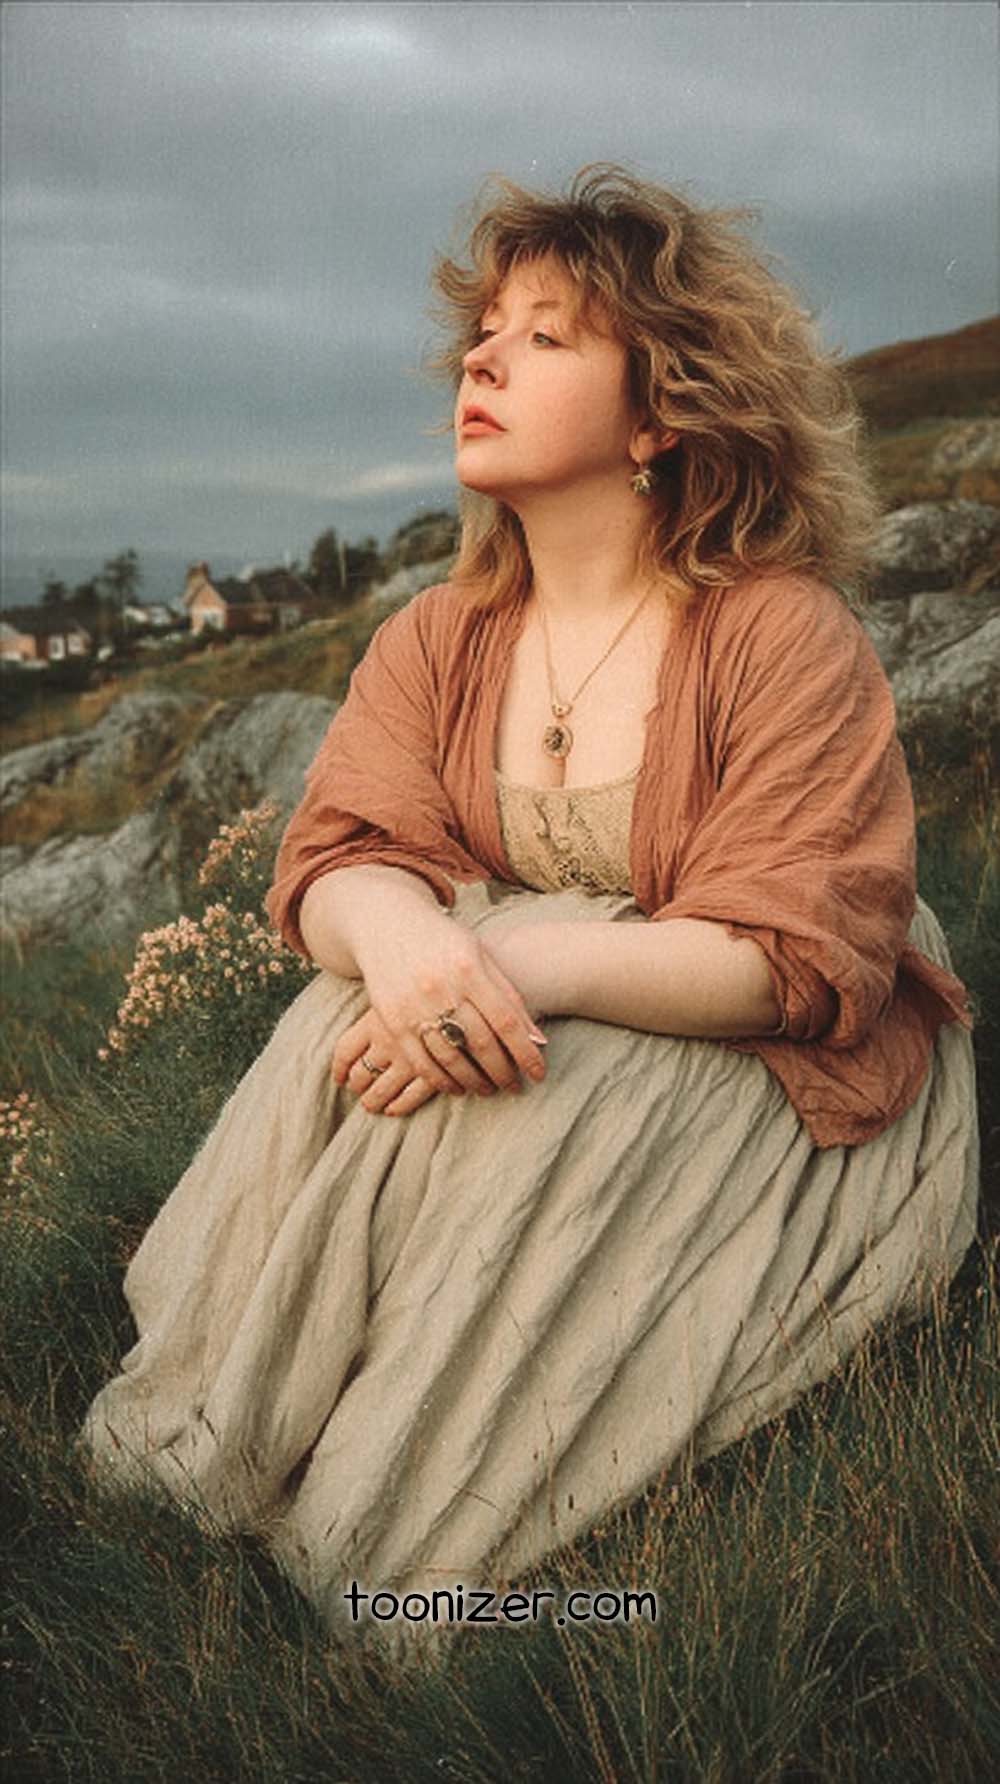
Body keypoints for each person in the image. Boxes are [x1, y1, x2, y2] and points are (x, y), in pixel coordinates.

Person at [81, 166, 978, 1637]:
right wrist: (409, 942)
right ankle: (224, 1439)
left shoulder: (779, 632)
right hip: (544, 998)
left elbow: (790, 961)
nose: (482, 362)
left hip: (768, 1051)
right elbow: (336, 861)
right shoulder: (439, 636)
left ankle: (396, 1545)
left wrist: (518, 964)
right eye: (483, 334)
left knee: (533, 1064)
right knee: (349, 1010)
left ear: (659, 413)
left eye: (545, 337)